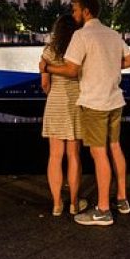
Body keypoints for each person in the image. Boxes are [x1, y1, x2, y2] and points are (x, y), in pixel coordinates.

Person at [40, 0, 130, 226]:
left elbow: (72, 70)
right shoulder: (113, 34)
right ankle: (122, 199)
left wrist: (47, 67)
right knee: (115, 147)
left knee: (98, 153)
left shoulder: (82, 35)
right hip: (115, 100)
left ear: (85, 11)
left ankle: (103, 209)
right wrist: (107, 63)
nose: (73, 14)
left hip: (94, 102)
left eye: (75, 10)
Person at [39, 14, 86, 217]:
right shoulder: (79, 49)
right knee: (74, 155)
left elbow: (44, 84)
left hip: (55, 103)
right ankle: (74, 203)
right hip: (76, 102)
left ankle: (57, 204)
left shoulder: (48, 51)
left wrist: (52, 91)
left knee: (55, 156)